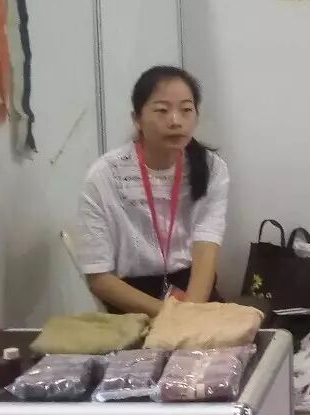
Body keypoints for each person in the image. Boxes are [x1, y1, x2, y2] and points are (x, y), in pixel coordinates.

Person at [74, 66, 229, 318]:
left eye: (186, 110)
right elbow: (99, 278)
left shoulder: (212, 168)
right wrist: (171, 315)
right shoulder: (104, 176)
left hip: (193, 293)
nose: (176, 121)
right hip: (132, 301)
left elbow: (206, 249)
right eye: (162, 110)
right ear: (137, 119)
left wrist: (190, 313)